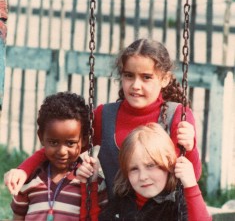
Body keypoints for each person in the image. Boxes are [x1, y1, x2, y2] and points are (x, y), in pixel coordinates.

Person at [4, 39, 201, 199]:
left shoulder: (178, 116)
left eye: (146, 77)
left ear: (164, 79)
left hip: (163, 214)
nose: (135, 85)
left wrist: (189, 147)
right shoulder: (105, 116)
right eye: (129, 76)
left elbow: (194, 174)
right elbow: (64, 146)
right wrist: (24, 169)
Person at [10, 92, 102, 221]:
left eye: (70, 143)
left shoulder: (91, 180)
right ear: (41, 137)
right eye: (53, 142)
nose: (62, 151)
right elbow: (18, 217)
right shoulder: (29, 181)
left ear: (84, 140)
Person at [97, 123, 212, 221]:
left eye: (150, 165)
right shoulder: (122, 202)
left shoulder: (176, 204)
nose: (143, 177)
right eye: (134, 169)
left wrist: (191, 186)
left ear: (170, 164)